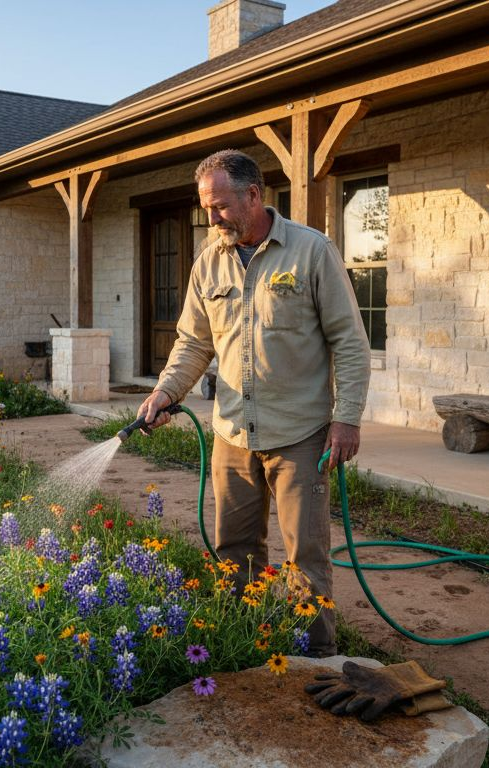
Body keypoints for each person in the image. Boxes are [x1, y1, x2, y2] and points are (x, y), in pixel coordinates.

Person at [137, 149, 370, 656]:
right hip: (233, 434)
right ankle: (245, 643)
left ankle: (315, 656)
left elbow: (350, 342)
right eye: (206, 207)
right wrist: (165, 390)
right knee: (234, 551)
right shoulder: (209, 261)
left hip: (301, 436)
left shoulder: (311, 252)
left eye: (220, 206)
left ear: (253, 195)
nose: (211, 217)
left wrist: (346, 419)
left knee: (304, 557)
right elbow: (193, 342)